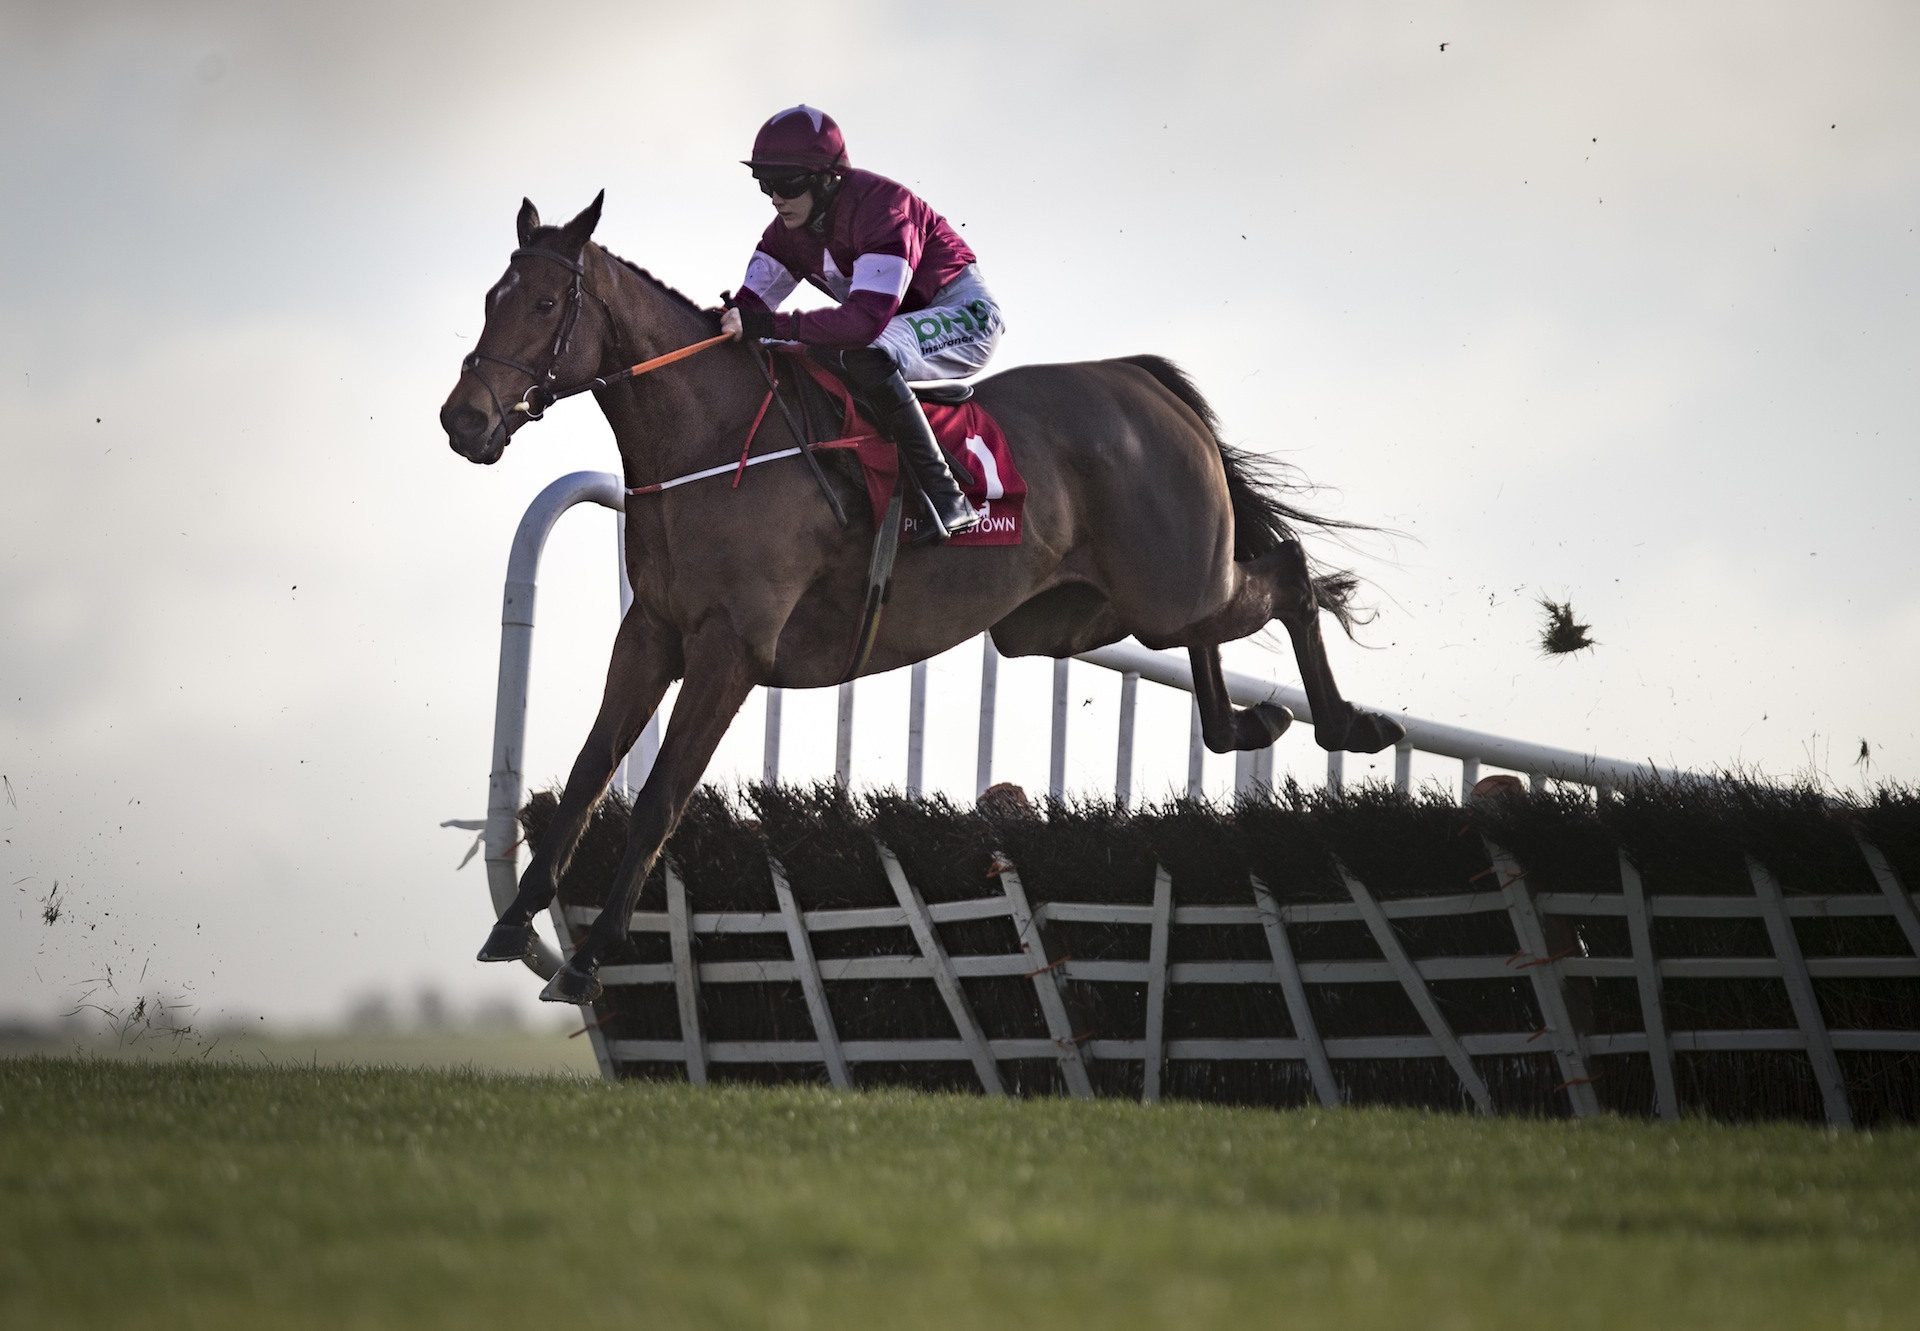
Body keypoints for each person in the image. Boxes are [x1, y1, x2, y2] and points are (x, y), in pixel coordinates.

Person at [721, 105, 1004, 542]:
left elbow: (862, 325)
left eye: (786, 183)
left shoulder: (885, 211)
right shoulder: (785, 232)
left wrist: (766, 326)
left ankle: (949, 499)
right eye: (765, 184)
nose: (775, 197)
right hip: (893, 323)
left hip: (964, 314)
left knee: (864, 352)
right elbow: (745, 311)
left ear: (828, 178)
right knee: (802, 352)